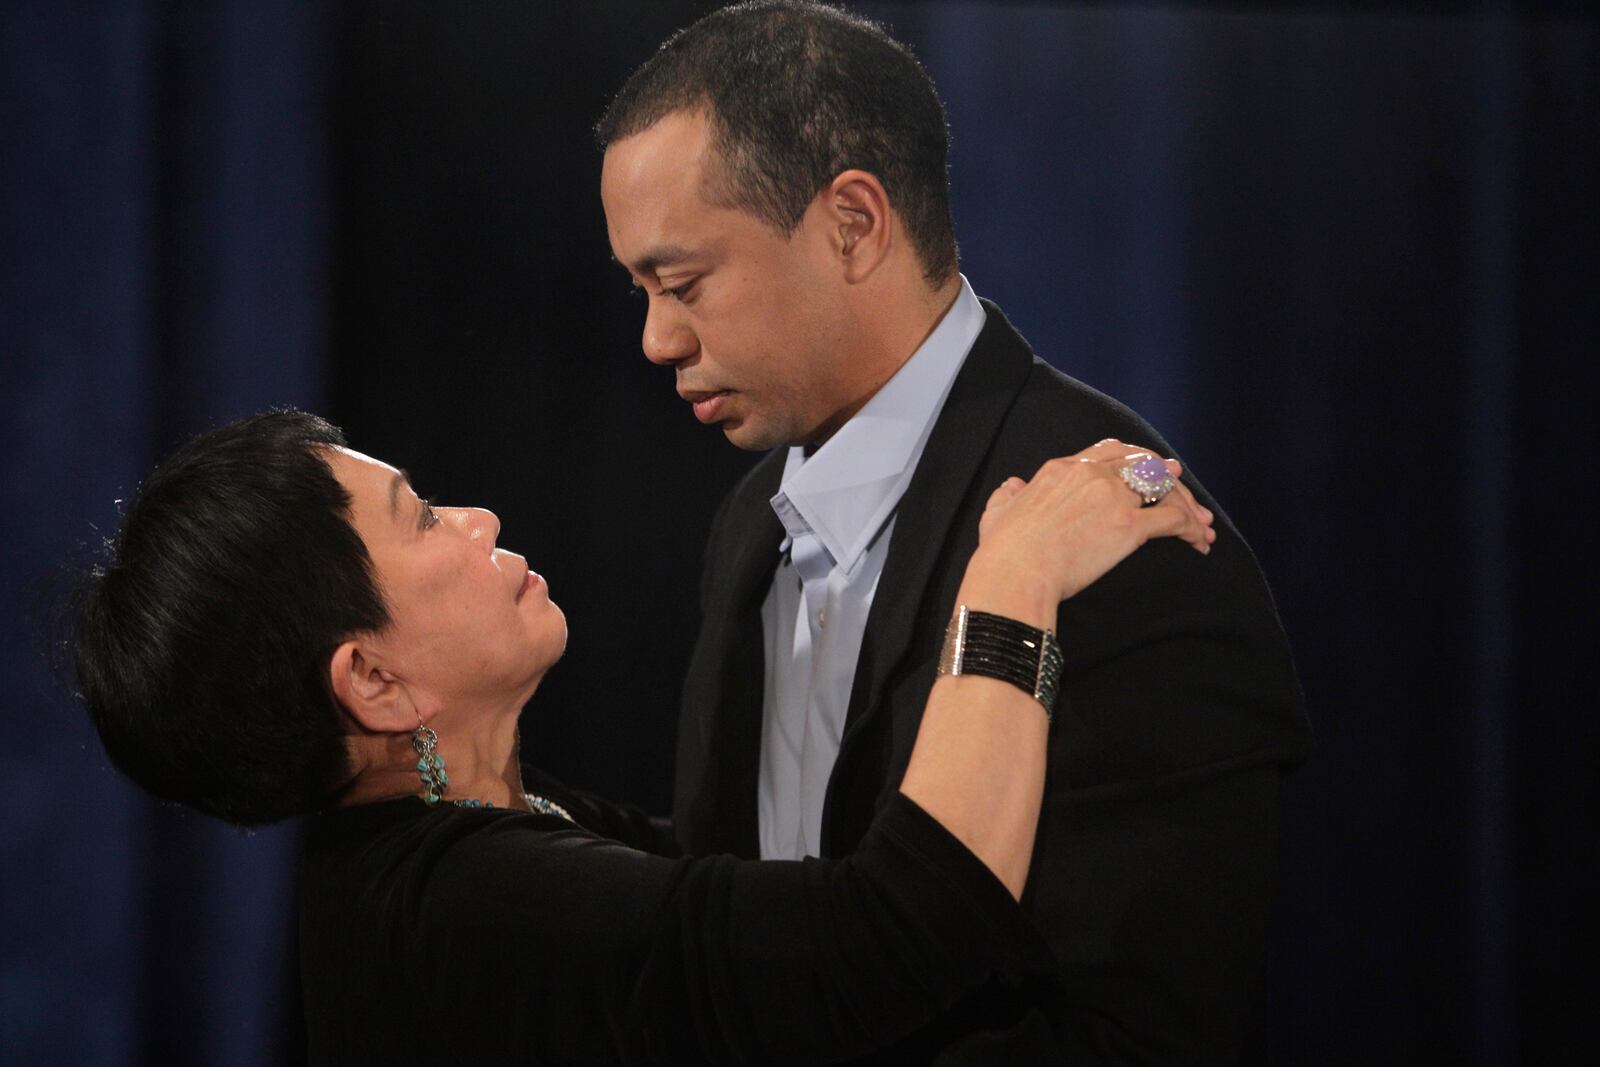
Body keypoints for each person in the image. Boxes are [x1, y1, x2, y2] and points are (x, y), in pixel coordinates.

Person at [596, 2, 1313, 1060]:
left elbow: (1145, 1029)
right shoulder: (749, 527)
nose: (657, 338)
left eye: (683, 281)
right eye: (641, 291)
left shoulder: (1124, 539)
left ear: (852, 223)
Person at [71, 410, 1213, 1064]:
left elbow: (781, 889)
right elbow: (906, 932)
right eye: (419, 518)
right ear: (372, 679)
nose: (478, 520)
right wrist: (1014, 578)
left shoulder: (465, 845)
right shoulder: (472, 909)